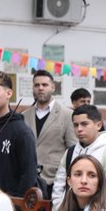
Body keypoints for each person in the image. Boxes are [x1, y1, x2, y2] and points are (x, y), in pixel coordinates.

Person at [51, 104, 106, 211]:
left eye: (84, 124)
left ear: (98, 125)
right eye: (75, 125)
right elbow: (59, 186)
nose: (79, 129)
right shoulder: (70, 152)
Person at [0, 71, 39, 197]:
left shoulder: (21, 131)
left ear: (8, 93)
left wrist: (16, 209)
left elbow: (28, 176)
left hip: (10, 205)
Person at [30, 69, 76, 200]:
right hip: (30, 180)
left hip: (54, 181)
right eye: (37, 85)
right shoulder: (24, 115)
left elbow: (72, 149)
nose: (40, 88)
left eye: (44, 85)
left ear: (53, 87)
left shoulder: (67, 115)